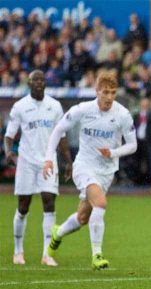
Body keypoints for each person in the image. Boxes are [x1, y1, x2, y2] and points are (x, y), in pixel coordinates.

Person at [43, 71, 137, 270]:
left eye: (113, 92)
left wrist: (112, 152)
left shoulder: (122, 114)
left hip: (106, 172)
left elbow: (133, 145)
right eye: (105, 92)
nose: (109, 97)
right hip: (84, 166)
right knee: (101, 203)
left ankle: (57, 233)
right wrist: (49, 159)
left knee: (83, 218)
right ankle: (97, 255)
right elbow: (59, 129)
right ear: (96, 91)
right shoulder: (83, 109)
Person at [3, 70, 72, 266]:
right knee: (23, 206)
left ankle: (46, 254)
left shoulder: (55, 106)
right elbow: (9, 135)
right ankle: (18, 251)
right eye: (35, 80)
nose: (39, 83)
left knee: (49, 203)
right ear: (29, 83)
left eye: (42, 80)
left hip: (48, 162)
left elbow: (62, 137)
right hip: (26, 162)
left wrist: (68, 161)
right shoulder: (20, 107)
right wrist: (8, 152)